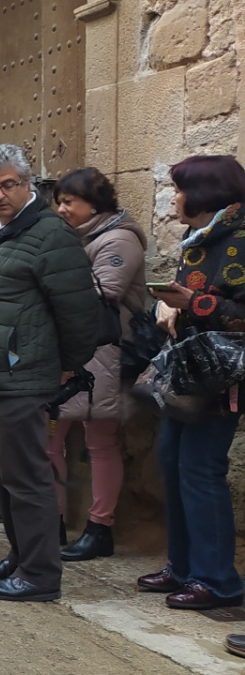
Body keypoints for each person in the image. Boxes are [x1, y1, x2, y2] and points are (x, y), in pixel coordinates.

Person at [0, 144, 100, 601]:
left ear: (26, 183)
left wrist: (66, 368)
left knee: (27, 477)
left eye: (7, 185)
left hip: (22, 376)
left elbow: (80, 314)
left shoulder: (50, 234)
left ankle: (40, 576)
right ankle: (20, 557)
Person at [138, 155, 245, 611]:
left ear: (204, 193)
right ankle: (182, 567)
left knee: (202, 472)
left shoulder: (241, 239)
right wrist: (168, 309)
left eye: (179, 189)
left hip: (223, 378)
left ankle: (217, 581)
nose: (174, 198)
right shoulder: (195, 238)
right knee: (172, 463)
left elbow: (237, 315)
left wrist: (193, 303)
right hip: (189, 372)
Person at [45, 168, 147, 561]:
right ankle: (49, 519)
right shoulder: (76, 238)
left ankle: (99, 527)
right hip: (68, 350)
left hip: (106, 351)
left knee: (100, 441)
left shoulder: (119, 239)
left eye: (69, 201)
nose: (61, 208)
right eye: (59, 201)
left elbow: (104, 292)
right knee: (48, 439)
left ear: (95, 203)